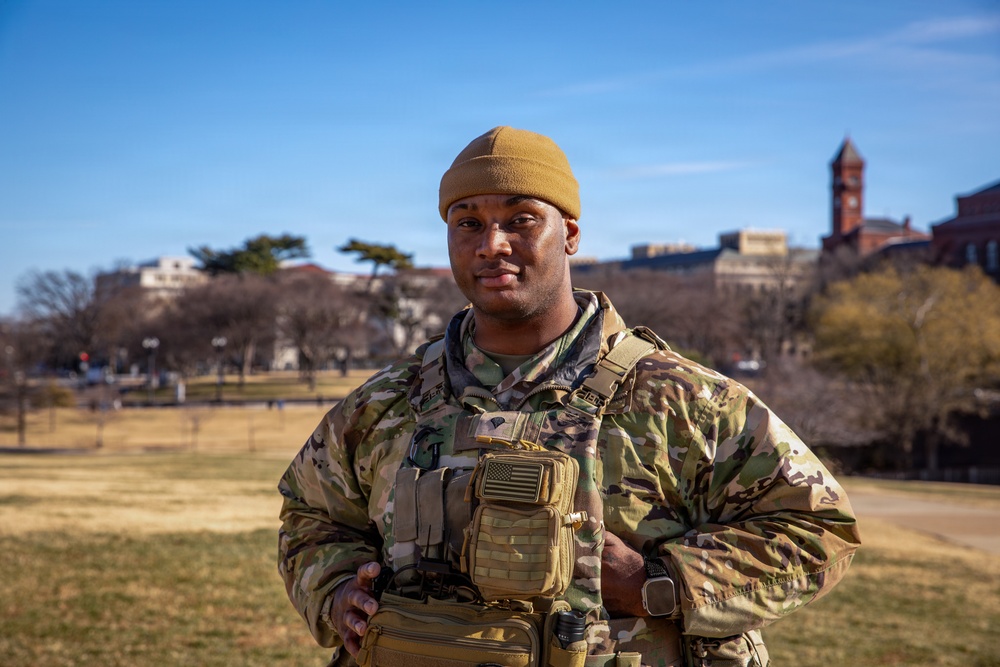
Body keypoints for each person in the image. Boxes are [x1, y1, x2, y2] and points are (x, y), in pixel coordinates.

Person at [278, 126, 861, 667]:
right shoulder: (385, 404)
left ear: (571, 235)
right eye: (468, 223)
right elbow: (310, 515)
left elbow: (818, 531)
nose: (492, 244)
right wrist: (334, 591)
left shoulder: (685, 402)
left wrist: (658, 584)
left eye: (522, 219)